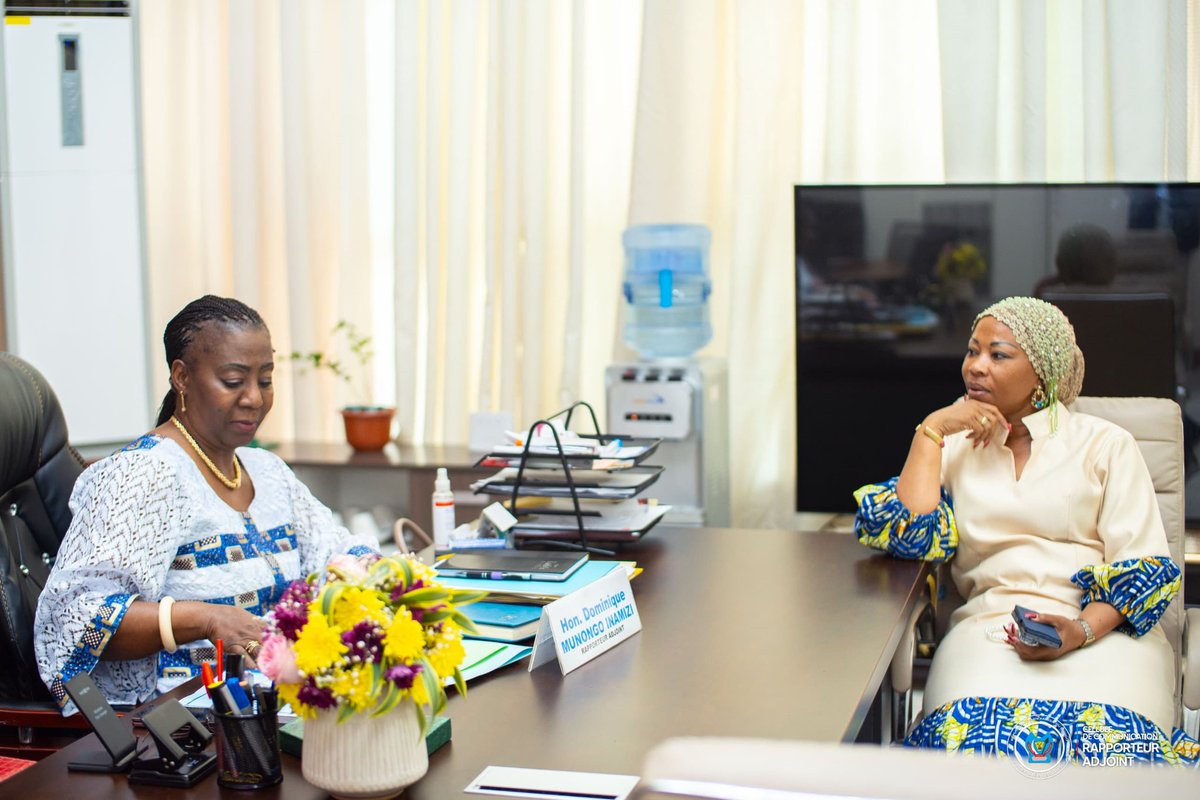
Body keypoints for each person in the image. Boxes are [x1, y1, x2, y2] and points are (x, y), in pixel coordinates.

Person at [854, 296, 1198, 767]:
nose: (975, 366)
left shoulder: (1105, 445)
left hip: (1103, 635)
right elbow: (905, 534)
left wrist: (1079, 631)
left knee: (1111, 757)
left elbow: (1141, 568)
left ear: (1043, 373)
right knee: (971, 754)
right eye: (972, 351)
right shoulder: (955, 445)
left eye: (998, 355)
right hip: (988, 633)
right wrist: (931, 430)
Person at [34, 296, 378, 711]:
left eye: (265, 380)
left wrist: (377, 575)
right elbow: (75, 619)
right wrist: (205, 618)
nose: (254, 398)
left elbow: (333, 549)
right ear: (182, 376)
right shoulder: (143, 475)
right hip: (187, 722)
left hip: (276, 703)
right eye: (233, 381)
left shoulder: (266, 470)